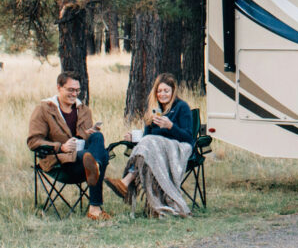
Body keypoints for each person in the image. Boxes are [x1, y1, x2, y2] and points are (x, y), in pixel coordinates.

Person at [105, 73, 195, 217]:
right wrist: (133, 139)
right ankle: (153, 204)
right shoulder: (154, 110)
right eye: (159, 91)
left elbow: (188, 138)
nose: (162, 94)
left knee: (151, 143)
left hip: (177, 147)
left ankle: (126, 181)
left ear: (173, 91)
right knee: (148, 143)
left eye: (166, 91)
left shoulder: (181, 107)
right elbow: (147, 137)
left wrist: (170, 126)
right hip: (155, 150)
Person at [27, 71, 113, 220]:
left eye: (77, 90)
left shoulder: (84, 110)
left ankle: (95, 167)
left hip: (82, 162)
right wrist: (61, 147)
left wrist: (88, 133)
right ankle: (95, 206)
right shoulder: (43, 109)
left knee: (97, 136)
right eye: (70, 90)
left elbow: (84, 138)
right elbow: (33, 141)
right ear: (59, 88)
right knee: (100, 155)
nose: (74, 94)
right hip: (60, 164)